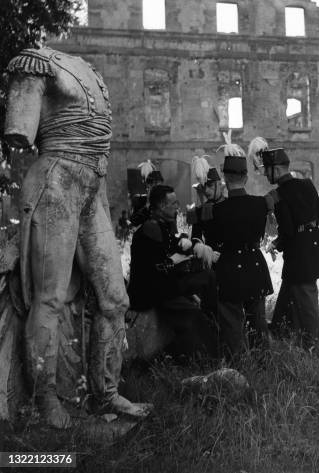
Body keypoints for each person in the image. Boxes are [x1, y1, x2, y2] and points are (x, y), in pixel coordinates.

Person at [3, 46, 151, 428]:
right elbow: (19, 130)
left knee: (115, 300)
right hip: (55, 181)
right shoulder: (32, 63)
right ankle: (44, 397)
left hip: (93, 187)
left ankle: (105, 393)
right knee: (49, 297)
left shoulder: (88, 69)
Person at [249, 137, 319, 350]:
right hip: (313, 250)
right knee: (289, 299)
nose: (266, 174)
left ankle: (316, 350)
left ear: (276, 170)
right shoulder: (307, 184)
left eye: (267, 170)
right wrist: (312, 243)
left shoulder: (277, 195)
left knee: (307, 307)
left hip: (298, 256)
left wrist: (275, 245)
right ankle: (284, 336)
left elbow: (287, 230)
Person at [202, 134, 273, 358]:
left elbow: (211, 243)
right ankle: (263, 363)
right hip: (254, 265)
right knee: (258, 323)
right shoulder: (261, 204)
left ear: (224, 177)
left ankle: (237, 366)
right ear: (245, 176)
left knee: (232, 325)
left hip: (229, 268)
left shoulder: (213, 211)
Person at [128, 185, 219, 359]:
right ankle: (208, 358)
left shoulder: (159, 224)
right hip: (152, 291)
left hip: (162, 285)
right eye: (174, 203)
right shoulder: (152, 227)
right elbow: (160, 266)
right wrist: (176, 262)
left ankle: (211, 321)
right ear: (162, 206)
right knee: (196, 306)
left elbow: (171, 247)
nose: (177, 207)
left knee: (205, 279)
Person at [130, 162, 164, 229]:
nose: (156, 187)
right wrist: (147, 206)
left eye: (158, 184)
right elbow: (134, 222)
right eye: (153, 184)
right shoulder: (140, 200)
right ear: (148, 186)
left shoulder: (165, 201)